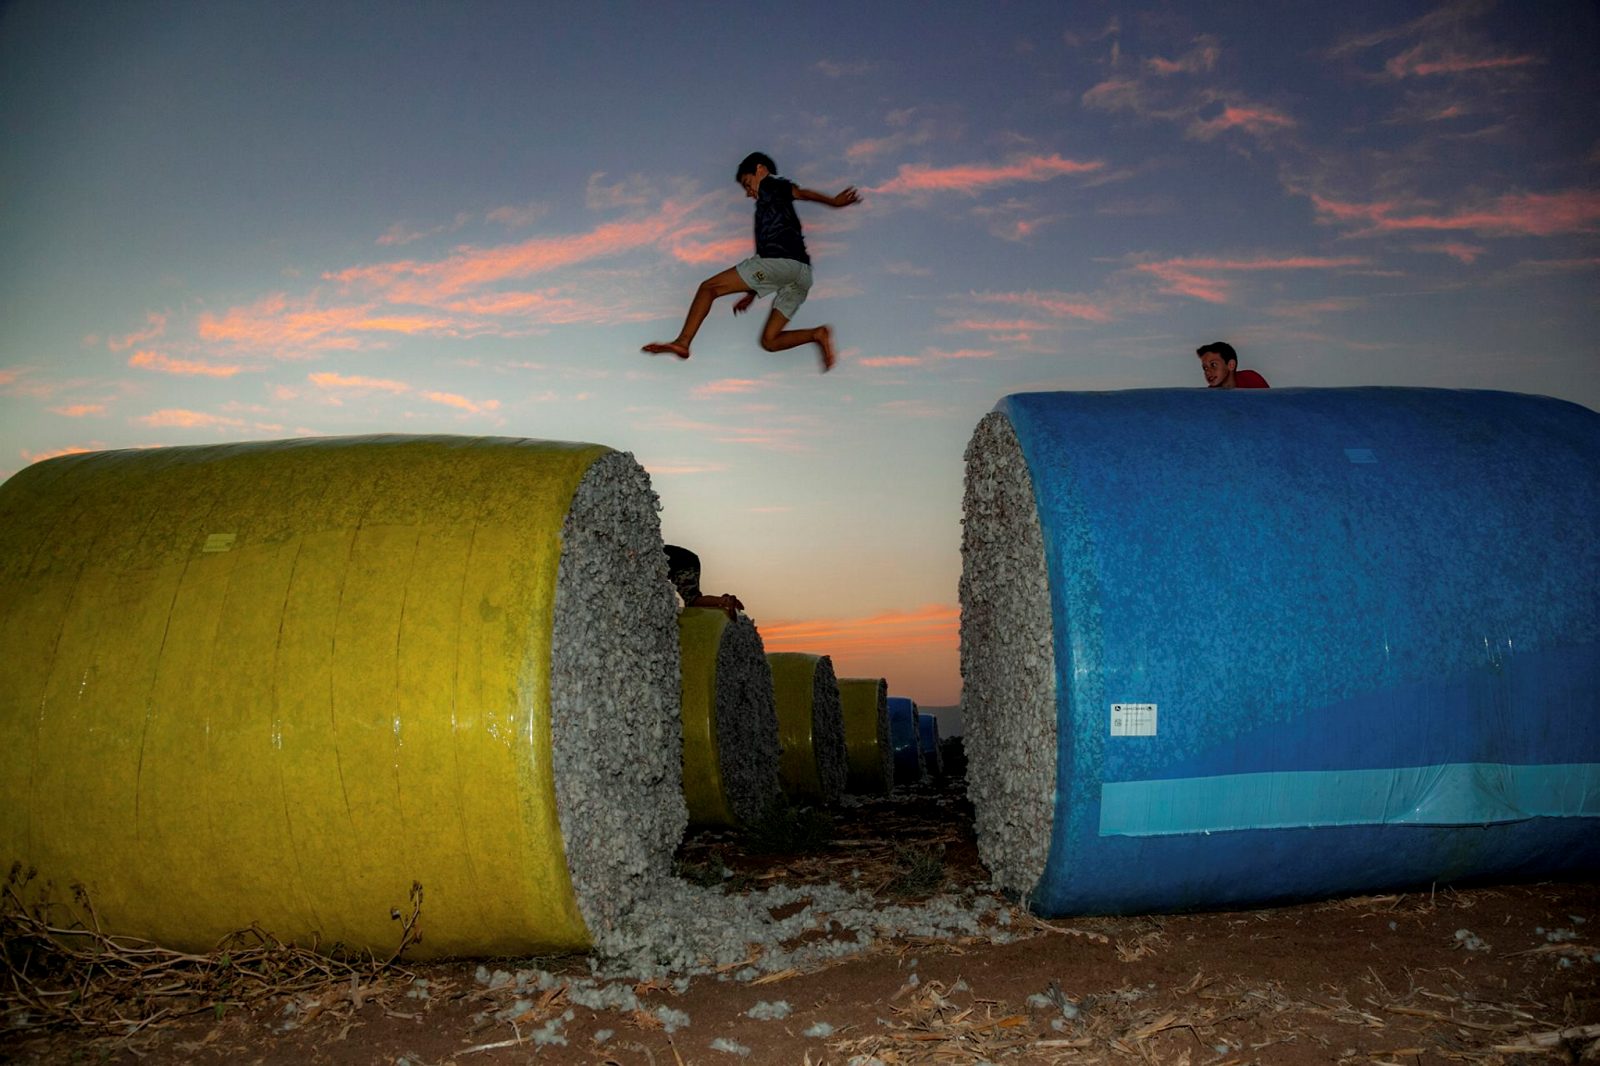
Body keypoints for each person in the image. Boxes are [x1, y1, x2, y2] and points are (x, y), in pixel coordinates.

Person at [643, 152, 860, 372]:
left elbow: (802, 193)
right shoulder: (770, 205)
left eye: (747, 184)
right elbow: (765, 266)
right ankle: (817, 334)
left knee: (708, 288)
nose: (748, 193)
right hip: (800, 275)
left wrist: (834, 202)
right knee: (769, 341)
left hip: (781, 263)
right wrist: (751, 294)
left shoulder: (770, 185)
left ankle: (683, 342)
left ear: (760, 169)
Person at [664, 544, 743, 620]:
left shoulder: (655, 552)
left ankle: (725, 601)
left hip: (683, 564)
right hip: (686, 562)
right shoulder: (657, 549)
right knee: (693, 601)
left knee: (693, 601)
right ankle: (720, 601)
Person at [1196, 341, 1269, 388]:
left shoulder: (1251, 379)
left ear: (1231, 365)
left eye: (1213, 365)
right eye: (1205, 368)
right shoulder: (1208, 396)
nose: (1207, 372)